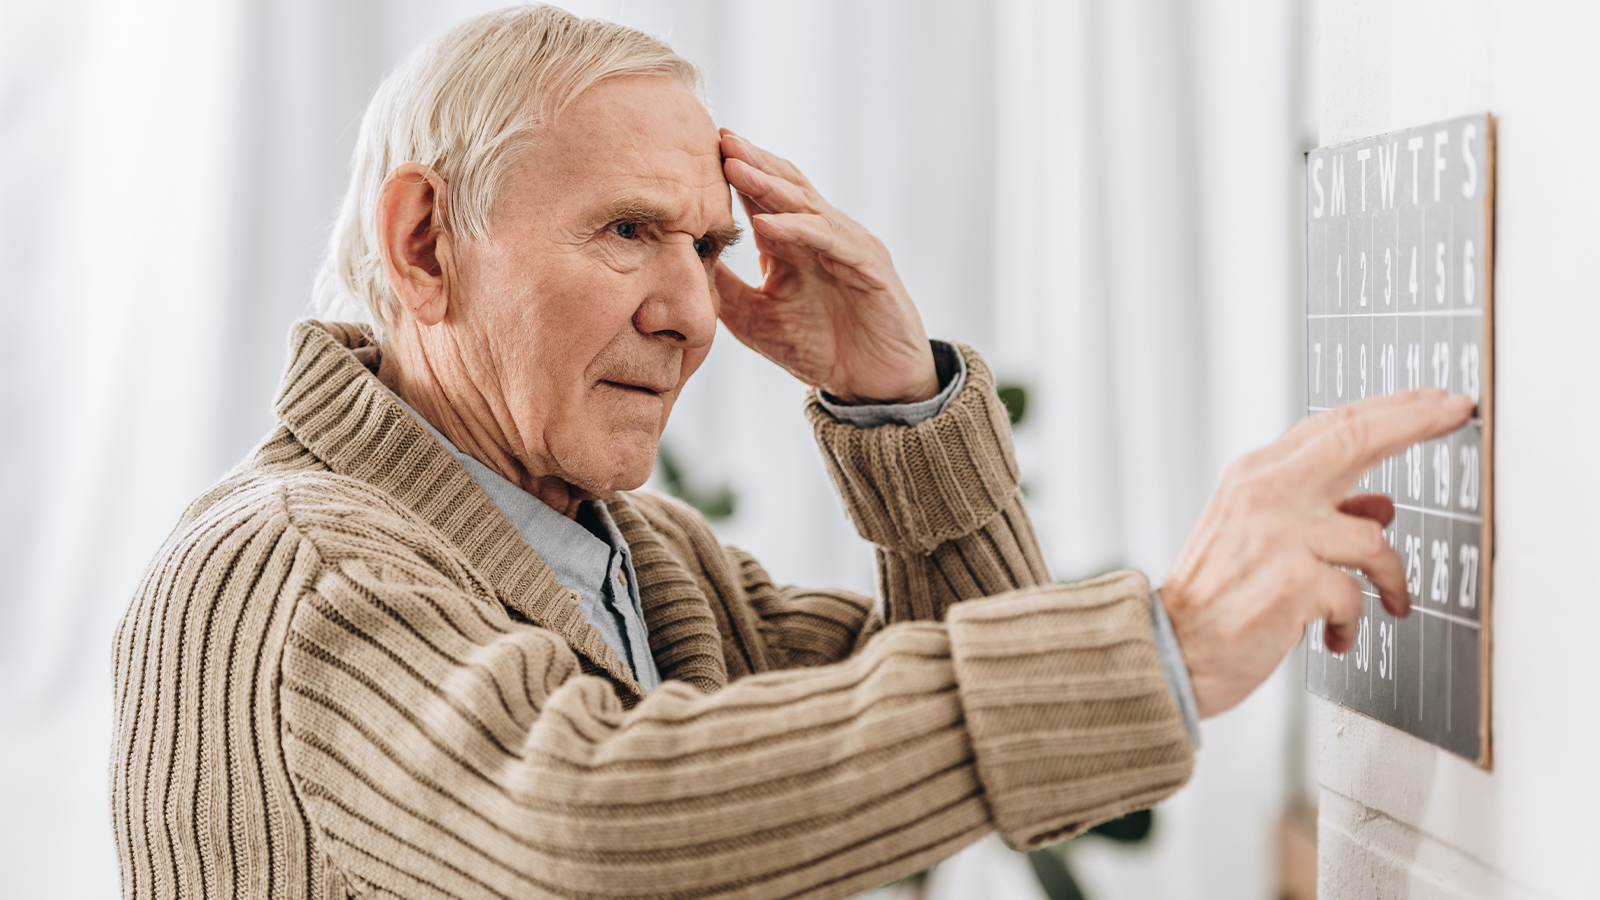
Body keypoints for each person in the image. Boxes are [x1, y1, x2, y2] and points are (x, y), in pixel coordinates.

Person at [110, 6, 1473, 899]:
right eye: (629, 231)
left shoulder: (639, 554)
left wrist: (897, 404)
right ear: (424, 244)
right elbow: (583, 830)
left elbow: (997, 751)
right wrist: (1165, 642)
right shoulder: (279, 572)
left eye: (708, 244)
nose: (696, 311)